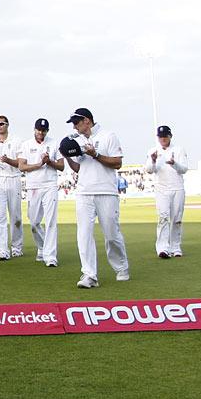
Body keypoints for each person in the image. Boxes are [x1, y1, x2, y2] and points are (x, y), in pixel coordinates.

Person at [62, 108, 130, 288]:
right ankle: (89, 274)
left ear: (86, 120)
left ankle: (121, 267)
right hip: (84, 192)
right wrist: (67, 157)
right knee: (83, 234)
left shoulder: (109, 136)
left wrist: (96, 155)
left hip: (106, 191)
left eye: (76, 123)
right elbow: (78, 168)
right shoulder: (78, 141)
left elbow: (117, 163)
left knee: (111, 234)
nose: (75, 127)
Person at [17, 118, 64, 267]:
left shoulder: (55, 143)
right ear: (34, 129)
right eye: (38, 130)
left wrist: (49, 162)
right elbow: (21, 167)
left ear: (47, 131)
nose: (41, 133)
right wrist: (40, 164)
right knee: (34, 222)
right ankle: (43, 247)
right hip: (33, 186)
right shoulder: (26, 145)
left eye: (43, 130)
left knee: (50, 221)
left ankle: (50, 256)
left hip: (50, 185)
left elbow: (62, 166)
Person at [144, 125, 188, 258]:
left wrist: (174, 163)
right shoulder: (153, 150)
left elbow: (184, 169)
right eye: (160, 137)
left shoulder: (179, 150)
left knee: (177, 219)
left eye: (165, 136)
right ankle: (162, 248)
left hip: (177, 187)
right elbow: (150, 169)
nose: (163, 139)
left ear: (170, 136)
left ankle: (175, 247)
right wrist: (152, 160)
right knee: (163, 217)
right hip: (161, 189)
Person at [0, 115, 24, 260]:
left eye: (1, 124)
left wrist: (8, 160)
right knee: (0, 216)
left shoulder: (17, 141)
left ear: (7, 125)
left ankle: (17, 247)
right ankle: (2, 250)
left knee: (16, 215)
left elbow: (21, 163)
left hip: (14, 178)